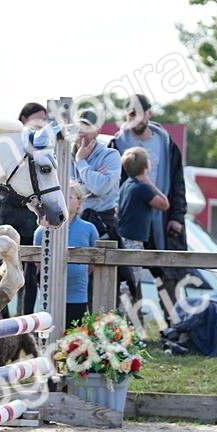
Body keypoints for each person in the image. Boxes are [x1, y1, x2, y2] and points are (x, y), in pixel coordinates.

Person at [109, 95, 187, 320]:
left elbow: (178, 182)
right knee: (130, 276)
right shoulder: (117, 144)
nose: (135, 118)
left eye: (139, 113)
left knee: (169, 274)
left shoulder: (166, 142)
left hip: (163, 221)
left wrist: (177, 217)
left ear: (149, 113)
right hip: (133, 221)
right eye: (130, 114)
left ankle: (174, 326)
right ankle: (135, 326)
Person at [0, 102, 47, 314]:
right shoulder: (11, 146)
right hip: (7, 219)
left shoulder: (41, 148)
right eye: (38, 119)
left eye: (45, 120)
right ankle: (0, 318)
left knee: (29, 280)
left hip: (30, 225)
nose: (42, 124)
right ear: (23, 120)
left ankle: (26, 324)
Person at [74, 108, 137, 305]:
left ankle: (104, 328)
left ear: (98, 130)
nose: (82, 133)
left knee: (105, 279)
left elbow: (99, 187)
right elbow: (63, 189)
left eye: (87, 127)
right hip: (73, 223)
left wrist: (81, 164)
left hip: (103, 223)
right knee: (75, 278)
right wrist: (90, 178)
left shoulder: (110, 155)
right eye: (79, 127)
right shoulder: (63, 153)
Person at [34, 182, 99, 327]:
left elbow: (93, 262)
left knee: (75, 337)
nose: (64, 200)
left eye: (69, 197)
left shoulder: (89, 229)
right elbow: (38, 262)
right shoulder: (42, 230)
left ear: (80, 203)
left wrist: (78, 272)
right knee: (49, 334)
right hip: (49, 294)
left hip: (78, 294)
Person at [117, 147, 169, 317]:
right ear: (147, 165)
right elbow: (164, 204)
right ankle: (121, 319)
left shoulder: (126, 184)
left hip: (124, 237)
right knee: (131, 283)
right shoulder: (142, 188)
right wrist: (148, 181)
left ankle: (122, 317)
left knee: (126, 282)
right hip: (134, 241)